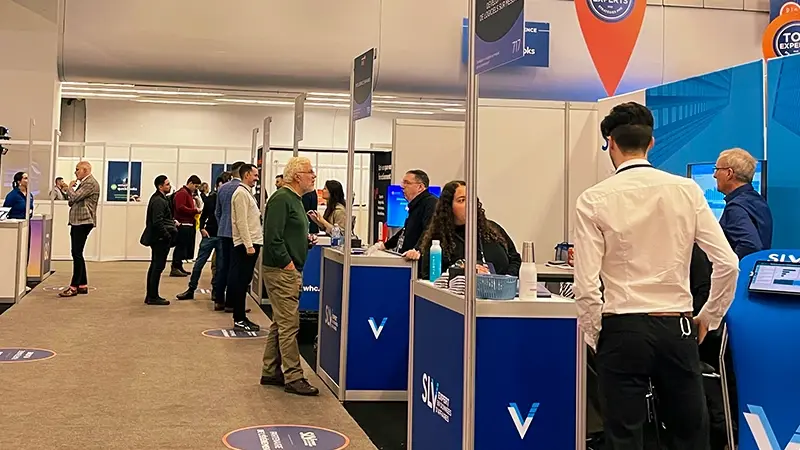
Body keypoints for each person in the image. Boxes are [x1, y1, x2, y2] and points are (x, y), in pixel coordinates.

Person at [573, 102, 739, 450]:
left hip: (621, 329)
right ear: (652, 143)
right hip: (676, 327)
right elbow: (727, 263)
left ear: (611, 145)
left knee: (624, 437)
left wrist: (597, 334)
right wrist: (708, 316)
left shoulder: (592, 199)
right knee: (690, 434)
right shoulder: (687, 190)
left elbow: (587, 285)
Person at [260, 156, 320, 396]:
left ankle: (270, 370)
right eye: (310, 172)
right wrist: (288, 265)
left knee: (281, 322)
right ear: (297, 176)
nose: (313, 176)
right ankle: (293, 376)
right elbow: (272, 238)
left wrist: (304, 241)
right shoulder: (282, 199)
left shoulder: (295, 200)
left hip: (289, 268)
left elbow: (287, 232)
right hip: (281, 271)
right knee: (289, 325)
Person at [418, 180, 521, 279]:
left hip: (502, 291)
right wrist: (462, 271)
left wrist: (507, 278)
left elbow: (515, 259)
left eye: (471, 199)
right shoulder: (439, 238)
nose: (469, 204)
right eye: (462, 200)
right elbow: (428, 275)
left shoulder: (493, 229)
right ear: (449, 207)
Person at [176, 172, 230, 301]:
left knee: (220, 266)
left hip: (222, 237)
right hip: (210, 235)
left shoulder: (229, 199)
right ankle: (191, 289)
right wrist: (202, 228)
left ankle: (216, 292)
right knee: (199, 264)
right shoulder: (212, 198)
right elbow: (204, 214)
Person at [713, 148, 773, 259]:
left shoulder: (736, 207)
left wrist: (727, 269)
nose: (714, 175)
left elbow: (750, 246)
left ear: (729, 173)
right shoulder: (758, 201)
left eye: (717, 169)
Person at [228, 164, 263, 331]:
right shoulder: (241, 194)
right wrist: (249, 245)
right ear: (247, 175)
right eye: (255, 175)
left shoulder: (247, 193)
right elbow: (241, 222)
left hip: (251, 242)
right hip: (245, 245)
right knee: (241, 282)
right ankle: (239, 319)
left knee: (244, 281)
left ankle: (240, 317)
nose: (257, 178)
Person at [374, 169, 438, 259]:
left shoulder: (431, 203)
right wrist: (385, 246)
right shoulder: (415, 205)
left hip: (418, 261)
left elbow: (429, 230)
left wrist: (417, 250)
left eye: (407, 183)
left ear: (420, 187)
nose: (403, 187)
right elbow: (405, 230)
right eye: (403, 183)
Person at [59, 161, 101, 298]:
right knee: (77, 253)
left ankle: (74, 286)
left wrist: (69, 188)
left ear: (85, 170)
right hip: (78, 221)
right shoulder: (83, 184)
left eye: (77, 169)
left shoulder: (90, 183)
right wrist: (71, 192)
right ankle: (82, 285)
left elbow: (74, 197)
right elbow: (71, 201)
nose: (75, 172)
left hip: (83, 221)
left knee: (77, 253)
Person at [214, 161, 247, 313]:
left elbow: (217, 212)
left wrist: (223, 225)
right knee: (236, 269)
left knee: (222, 267)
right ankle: (231, 303)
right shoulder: (242, 189)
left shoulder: (222, 188)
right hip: (237, 235)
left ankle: (219, 300)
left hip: (223, 232)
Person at [140, 175, 176, 305]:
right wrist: (167, 235)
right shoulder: (159, 201)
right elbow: (157, 222)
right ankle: (152, 296)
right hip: (159, 239)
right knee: (157, 267)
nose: (169, 186)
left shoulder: (159, 199)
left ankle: (151, 295)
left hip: (158, 238)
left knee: (155, 266)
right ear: (160, 186)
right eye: (167, 184)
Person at [170, 175, 202, 277]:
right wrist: (194, 210)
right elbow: (180, 208)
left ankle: (179, 266)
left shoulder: (188, 194)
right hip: (183, 224)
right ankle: (175, 267)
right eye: (196, 186)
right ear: (190, 183)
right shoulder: (182, 193)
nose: (196, 189)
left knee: (183, 247)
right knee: (180, 247)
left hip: (188, 223)